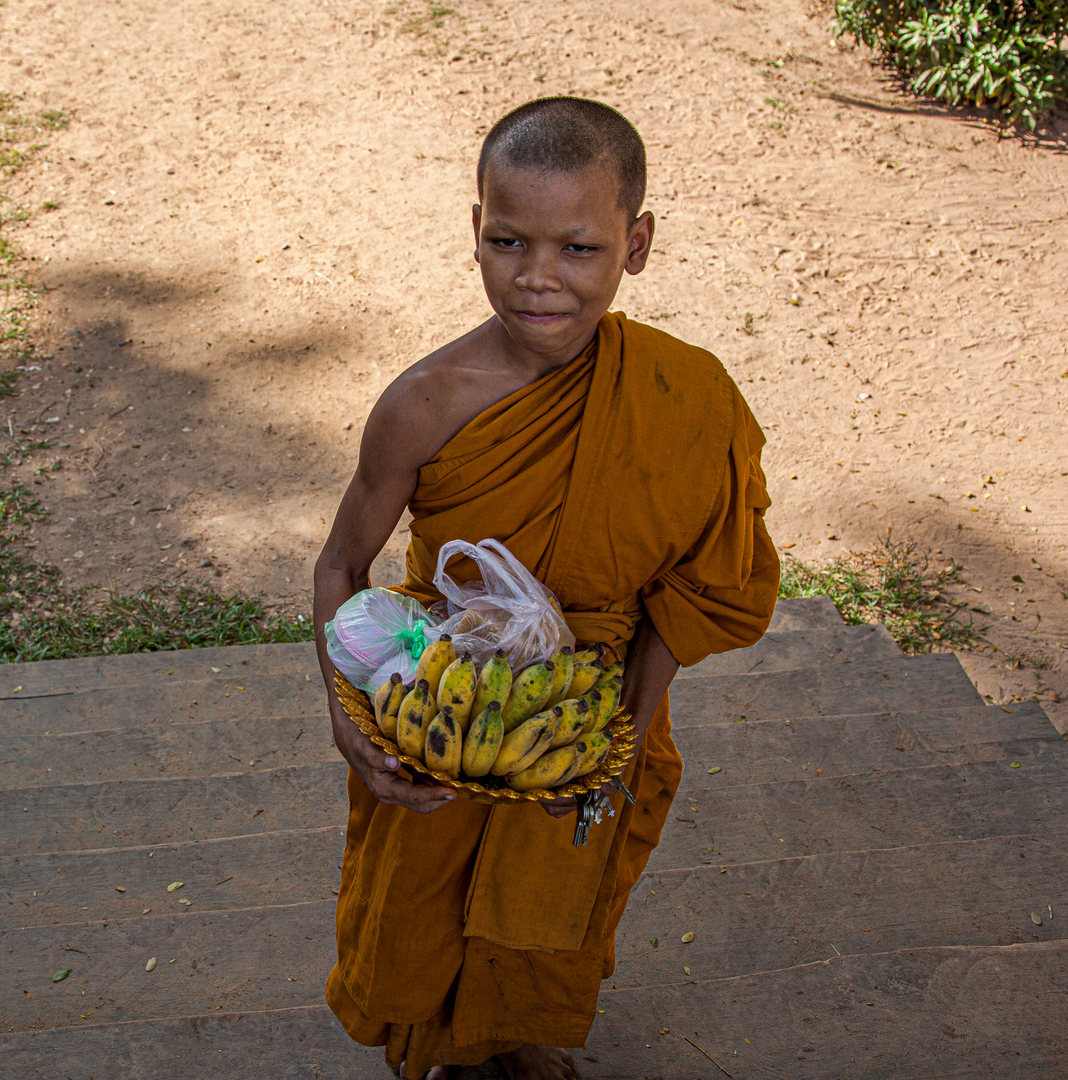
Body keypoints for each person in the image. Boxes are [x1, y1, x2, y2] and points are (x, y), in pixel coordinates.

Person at [311, 97, 780, 1080]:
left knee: (553, 901)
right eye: (507, 241)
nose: (537, 278)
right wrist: (349, 723)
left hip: (591, 706)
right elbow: (340, 566)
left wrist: (627, 728)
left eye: (578, 248)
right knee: (422, 903)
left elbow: (695, 588)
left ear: (635, 243)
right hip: (447, 699)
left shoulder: (679, 394)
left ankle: (513, 1036)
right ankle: (440, 1047)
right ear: (473, 233)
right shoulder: (424, 404)